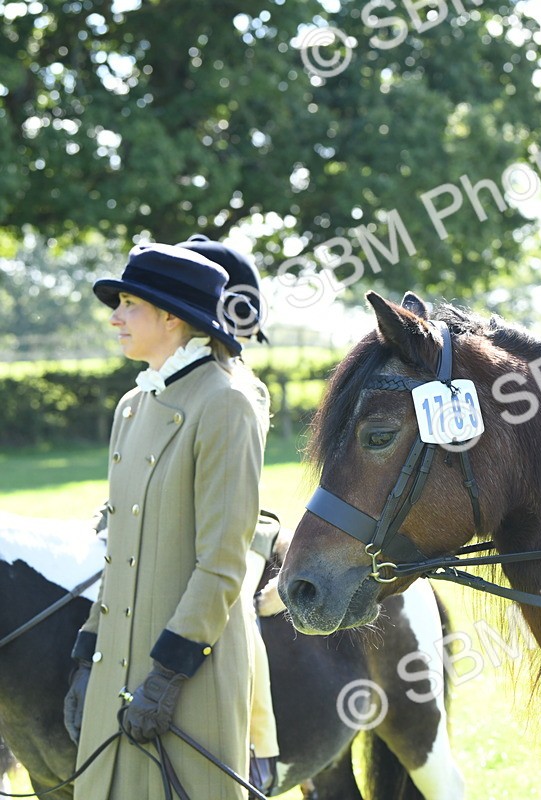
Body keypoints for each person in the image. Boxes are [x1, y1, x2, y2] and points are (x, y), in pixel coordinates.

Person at [63, 243, 265, 800]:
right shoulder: (131, 406)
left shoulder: (226, 403)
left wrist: (169, 674)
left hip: (182, 679)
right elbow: (119, 553)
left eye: (129, 304)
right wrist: (87, 656)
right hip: (116, 672)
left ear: (170, 316)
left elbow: (223, 561)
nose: (115, 317)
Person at [176, 233, 279, 795]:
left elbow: (230, 505)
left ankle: (252, 747)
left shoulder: (244, 390)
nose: (243, 341)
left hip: (238, 530)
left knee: (235, 606)